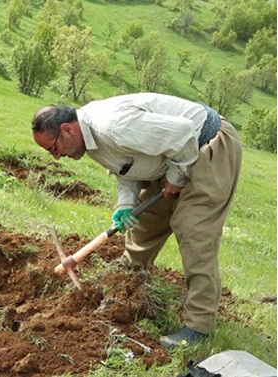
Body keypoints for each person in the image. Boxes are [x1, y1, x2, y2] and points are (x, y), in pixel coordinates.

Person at [31, 93, 241, 349]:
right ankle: (127, 281)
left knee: (194, 231)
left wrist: (176, 176)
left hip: (207, 145)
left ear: (66, 130)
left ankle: (199, 327)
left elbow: (184, 133)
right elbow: (128, 165)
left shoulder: (112, 126)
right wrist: (125, 205)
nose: (55, 156)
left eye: (53, 148)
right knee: (146, 223)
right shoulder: (89, 138)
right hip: (172, 154)